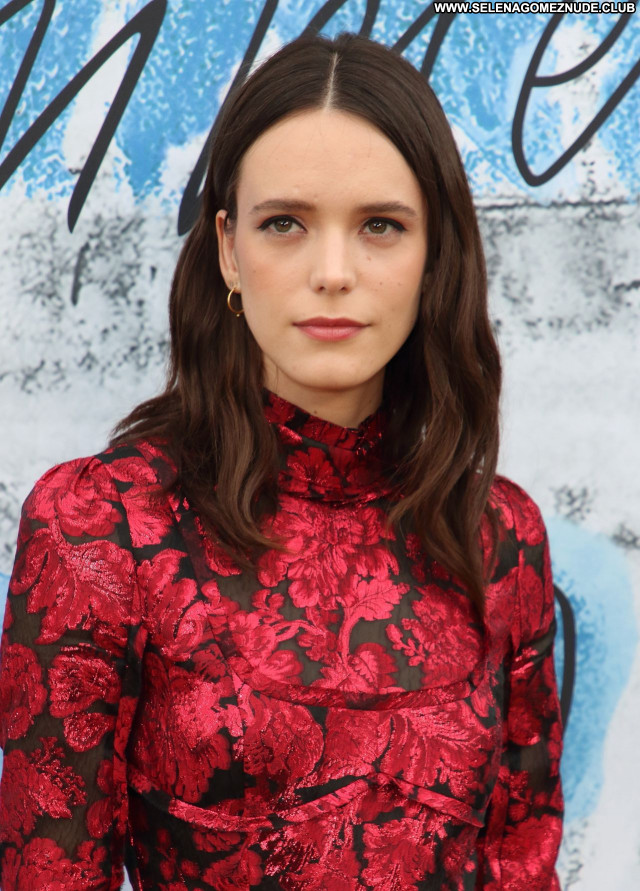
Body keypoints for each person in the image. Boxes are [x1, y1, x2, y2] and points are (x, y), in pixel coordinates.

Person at [0, 32, 563, 890]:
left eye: (380, 225)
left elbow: (521, 865)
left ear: (434, 253)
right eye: (285, 223)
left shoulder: (499, 535)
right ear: (230, 248)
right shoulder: (103, 529)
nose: (332, 272)